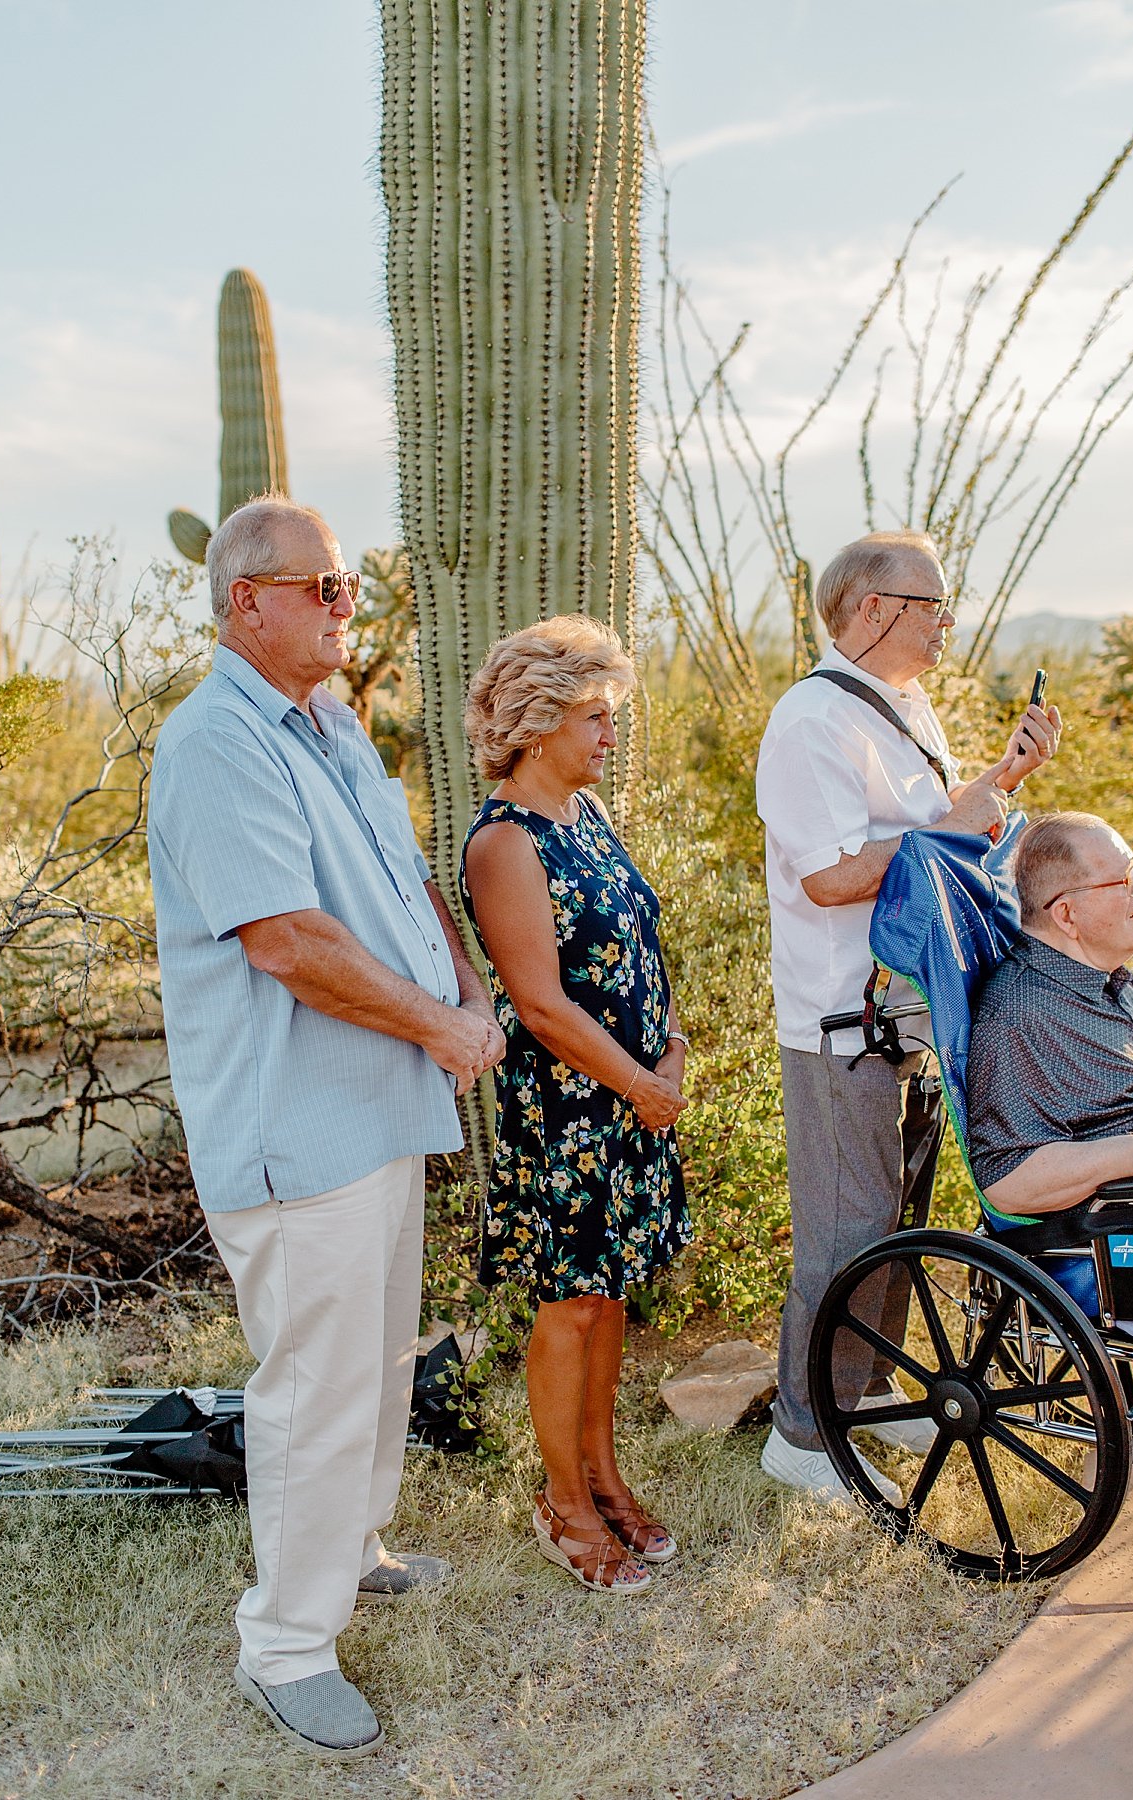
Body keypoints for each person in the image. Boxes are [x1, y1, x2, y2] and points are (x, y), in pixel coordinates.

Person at [147, 494, 505, 1759]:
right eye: (325, 588)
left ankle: (355, 1552)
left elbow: (403, 878)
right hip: (295, 1119)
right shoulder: (214, 745)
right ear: (248, 600)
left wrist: (465, 993)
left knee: (382, 1356)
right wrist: (444, 1029)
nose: (348, 605)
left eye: (350, 585)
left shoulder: (330, 720)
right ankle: (286, 1646)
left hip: (381, 1099)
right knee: (311, 1382)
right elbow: (288, 942)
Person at [754, 529, 1061, 1506]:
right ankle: (801, 1438)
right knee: (844, 1233)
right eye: (933, 606)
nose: (946, 624)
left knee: (892, 1221)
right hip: (843, 1020)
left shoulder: (901, 705)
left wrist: (1004, 779)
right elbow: (833, 874)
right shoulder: (810, 722)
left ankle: (863, 1404)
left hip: (912, 1005)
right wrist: (941, 833)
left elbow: (936, 830)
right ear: (873, 609)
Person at [460, 616, 691, 1593]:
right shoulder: (505, 842)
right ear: (540, 718)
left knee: (610, 1297)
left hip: (632, 1102)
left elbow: (637, 942)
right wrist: (641, 1083)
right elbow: (542, 1005)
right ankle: (561, 1505)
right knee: (569, 1307)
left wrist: (671, 1049)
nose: (609, 735)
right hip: (570, 1111)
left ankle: (603, 1478)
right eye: (595, 716)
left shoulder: (587, 817)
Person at [967, 811, 1133, 1217]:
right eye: (1126, 883)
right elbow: (1007, 1181)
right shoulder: (1017, 1017)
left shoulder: (1112, 978)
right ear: (1066, 915)